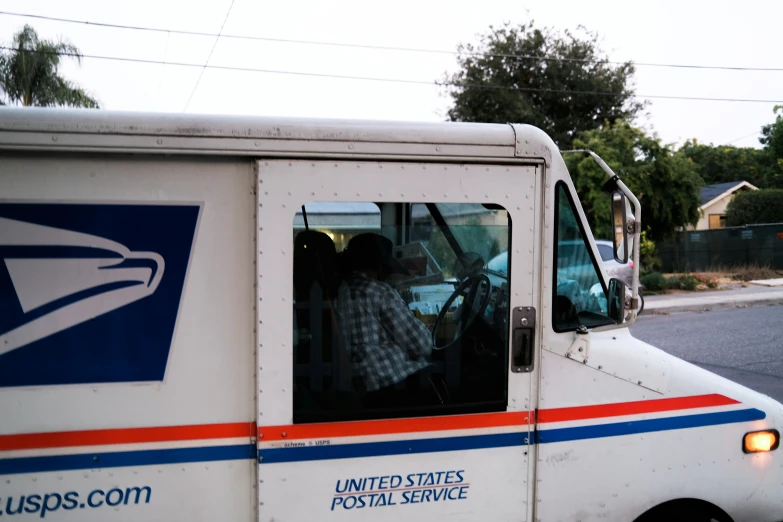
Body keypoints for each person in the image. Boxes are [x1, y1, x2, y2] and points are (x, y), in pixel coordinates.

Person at [335, 233, 444, 408]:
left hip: (365, 382)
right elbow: (421, 345)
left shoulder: (341, 289)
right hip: (391, 382)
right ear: (380, 266)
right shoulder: (378, 291)